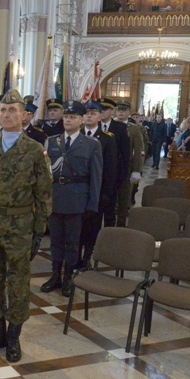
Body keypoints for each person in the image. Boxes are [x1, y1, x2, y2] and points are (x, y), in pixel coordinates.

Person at [0, 89, 52, 363]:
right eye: (2, 110)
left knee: (18, 283)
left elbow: (43, 196)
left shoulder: (34, 151)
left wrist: (38, 232)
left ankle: (14, 335)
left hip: (20, 225)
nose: (7, 115)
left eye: (13, 110)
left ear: (24, 115)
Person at [42, 100, 102, 297]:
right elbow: (45, 173)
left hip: (77, 199)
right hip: (55, 197)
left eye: (73, 117)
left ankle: (68, 277)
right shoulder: (52, 141)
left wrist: (92, 204)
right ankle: (55, 275)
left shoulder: (92, 145)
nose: (68, 120)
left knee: (72, 242)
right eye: (66, 116)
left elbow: (95, 176)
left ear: (81, 120)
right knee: (55, 240)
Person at [77, 101, 117, 269]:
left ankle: (87, 257)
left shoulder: (107, 139)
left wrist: (106, 193)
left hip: (97, 191)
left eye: (93, 113)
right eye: (86, 113)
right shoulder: (76, 135)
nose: (89, 116)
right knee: (77, 226)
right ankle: (75, 256)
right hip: (78, 190)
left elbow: (110, 168)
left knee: (92, 226)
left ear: (100, 116)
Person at [99, 98, 128, 226]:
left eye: (104, 110)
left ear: (111, 111)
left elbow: (125, 154)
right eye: (99, 109)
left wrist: (121, 176)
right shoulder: (93, 127)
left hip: (112, 175)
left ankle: (109, 236)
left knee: (110, 209)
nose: (101, 112)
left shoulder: (120, 128)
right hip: (95, 173)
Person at [113, 101, 143, 226]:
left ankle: (121, 223)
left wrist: (137, 170)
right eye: (119, 110)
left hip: (127, 167)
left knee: (124, 197)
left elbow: (138, 150)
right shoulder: (110, 126)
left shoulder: (134, 129)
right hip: (112, 167)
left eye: (124, 110)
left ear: (129, 112)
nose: (121, 112)